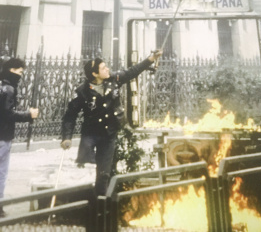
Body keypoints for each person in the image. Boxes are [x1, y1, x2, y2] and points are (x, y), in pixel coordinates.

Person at [61, 50, 162, 196]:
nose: (107, 69)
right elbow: (70, 116)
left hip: (109, 134)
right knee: (86, 166)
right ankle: (91, 200)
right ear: (95, 74)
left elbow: (131, 72)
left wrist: (151, 59)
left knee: (104, 173)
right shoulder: (83, 92)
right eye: (103, 68)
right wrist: (67, 137)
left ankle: (102, 205)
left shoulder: (113, 80)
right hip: (91, 134)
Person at [0, 58, 39, 217]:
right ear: (13, 70)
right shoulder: (8, 89)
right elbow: (7, 114)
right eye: (20, 72)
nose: (21, 76)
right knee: (1, 172)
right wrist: (28, 115)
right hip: (3, 135)